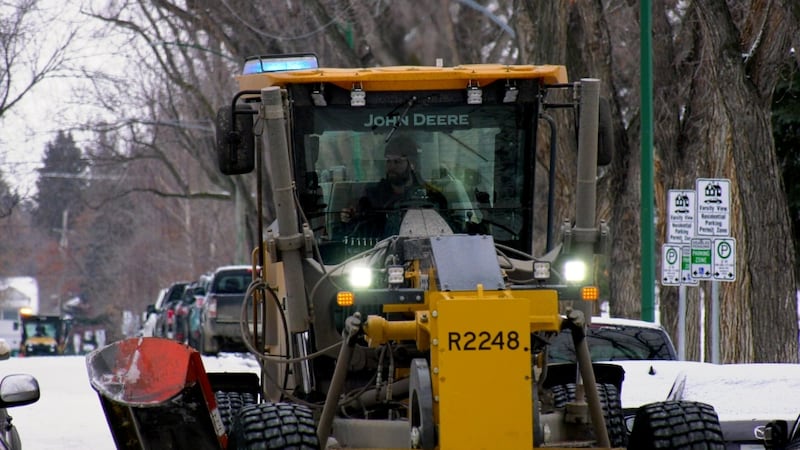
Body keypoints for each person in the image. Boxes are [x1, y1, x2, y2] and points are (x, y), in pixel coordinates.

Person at [340, 135, 447, 239]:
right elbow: (359, 233)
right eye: (388, 161)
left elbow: (447, 234)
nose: (391, 167)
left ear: (412, 164)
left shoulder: (432, 197)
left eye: (397, 162)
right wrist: (348, 219)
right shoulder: (372, 197)